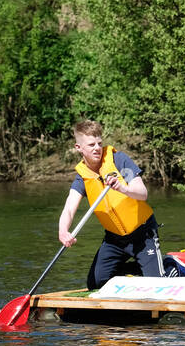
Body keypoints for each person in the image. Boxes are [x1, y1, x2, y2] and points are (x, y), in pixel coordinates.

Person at [58, 120, 167, 290]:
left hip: (142, 234)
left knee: (158, 286)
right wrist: (63, 231)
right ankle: (137, 272)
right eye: (91, 144)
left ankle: (167, 266)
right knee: (95, 283)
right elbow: (69, 208)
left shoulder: (119, 160)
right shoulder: (82, 177)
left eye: (99, 143)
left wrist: (123, 188)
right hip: (114, 239)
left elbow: (142, 192)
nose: (97, 148)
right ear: (79, 148)